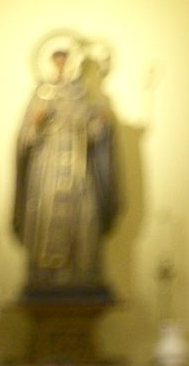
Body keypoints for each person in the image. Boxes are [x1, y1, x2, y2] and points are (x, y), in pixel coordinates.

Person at [13, 38, 120, 297]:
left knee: (86, 216)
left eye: (66, 60)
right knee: (46, 214)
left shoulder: (83, 97)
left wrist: (102, 125)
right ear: (51, 63)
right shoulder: (41, 94)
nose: (61, 65)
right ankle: (45, 276)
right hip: (47, 169)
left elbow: (94, 134)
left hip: (77, 167)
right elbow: (25, 138)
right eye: (57, 60)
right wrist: (36, 123)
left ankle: (81, 274)